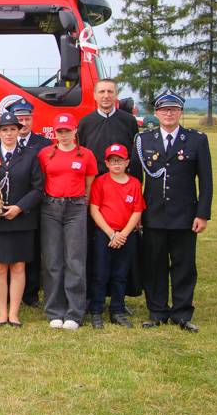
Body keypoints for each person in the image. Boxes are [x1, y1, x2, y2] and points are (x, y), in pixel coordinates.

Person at [136, 90, 212, 332]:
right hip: (153, 215)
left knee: (184, 265)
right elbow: (136, 181)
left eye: (173, 109)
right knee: (154, 265)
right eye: (164, 110)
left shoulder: (197, 140)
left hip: (184, 215)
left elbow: (206, 181)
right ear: (156, 113)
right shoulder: (144, 140)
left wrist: (202, 214)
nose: (169, 114)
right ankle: (157, 311)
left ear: (180, 112)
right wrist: (135, 214)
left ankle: (181, 313)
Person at [76, 78, 141, 312]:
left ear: (116, 96)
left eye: (110, 92)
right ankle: (94, 299)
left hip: (123, 192)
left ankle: (118, 299)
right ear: (94, 95)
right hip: (95, 193)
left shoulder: (128, 121)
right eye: (101, 91)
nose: (105, 96)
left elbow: (136, 157)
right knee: (95, 247)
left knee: (121, 248)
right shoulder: (85, 123)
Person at [0, 112, 43, 328]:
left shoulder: (31, 155)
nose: (9, 133)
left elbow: (38, 188)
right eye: (4, 130)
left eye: (13, 129)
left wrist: (20, 207)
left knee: (18, 267)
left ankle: (14, 313)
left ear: (19, 131)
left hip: (21, 220)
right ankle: (1, 313)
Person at [38, 113, 98, 330]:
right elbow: (42, 180)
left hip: (76, 208)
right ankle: (55, 310)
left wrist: (80, 203)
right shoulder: (46, 154)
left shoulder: (87, 155)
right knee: (53, 260)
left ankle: (74, 312)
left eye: (67, 131)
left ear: (75, 132)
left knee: (74, 259)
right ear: (55, 133)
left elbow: (89, 184)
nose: (63, 135)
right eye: (60, 131)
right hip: (51, 207)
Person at [88, 144, 144, 329]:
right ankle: (96, 310)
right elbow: (94, 209)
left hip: (126, 235)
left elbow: (137, 211)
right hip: (105, 234)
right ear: (106, 163)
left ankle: (117, 310)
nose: (117, 164)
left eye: (120, 160)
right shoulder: (100, 181)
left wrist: (123, 234)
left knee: (120, 274)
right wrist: (111, 234)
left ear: (127, 162)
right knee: (100, 274)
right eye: (113, 161)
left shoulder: (134, 183)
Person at [8, 98, 52, 308]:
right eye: (19, 119)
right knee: (10, 252)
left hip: (35, 204)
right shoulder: (3, 143)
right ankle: (9, 291)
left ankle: (31, 293)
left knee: (32, 251)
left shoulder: (43, 144)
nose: (23, 123)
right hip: (9, 204)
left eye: (27, 119)